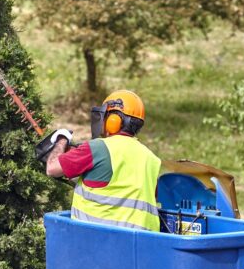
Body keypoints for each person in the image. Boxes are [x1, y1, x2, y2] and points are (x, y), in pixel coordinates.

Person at [39, 90, 161, 231]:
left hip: (97, 242)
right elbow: (123, 190)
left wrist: (61, 139)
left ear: (114, 120)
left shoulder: (97, 148)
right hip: (142, 245)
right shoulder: (151, 159)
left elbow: (52, 168)